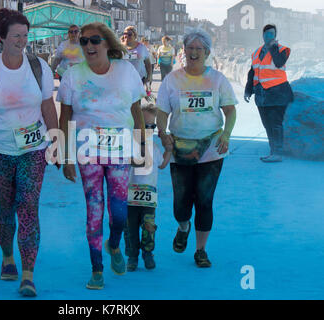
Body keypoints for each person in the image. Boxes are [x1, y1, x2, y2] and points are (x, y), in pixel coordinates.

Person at [0, 8, 58, 297]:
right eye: (16, 36)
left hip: (33, 149)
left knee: (28, 207)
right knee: (5, 207)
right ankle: (8, 257)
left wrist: (56, 143)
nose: (22, 41)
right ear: (1, 38)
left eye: (25, 36)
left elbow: (47, 106)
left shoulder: (38, 67)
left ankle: (28, 274)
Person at [57, 22, 147, 290]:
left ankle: (114, 245)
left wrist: (142, 147)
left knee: (119, 213)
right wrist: (66, 157)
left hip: (120, 151)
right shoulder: (72, 75)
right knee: (94, 211)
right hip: (88, 152)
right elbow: (65, 119)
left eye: (94, 40)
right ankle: (97, 269)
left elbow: (137, 111)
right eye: (84, 42)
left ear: (107, 43)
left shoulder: (126, 70)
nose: (89, 46)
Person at [156, 28, 237, 268]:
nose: (193, 53)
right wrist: (163, 133)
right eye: (189, 48)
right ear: (183, 51)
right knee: (181, 203)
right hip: (180, 147)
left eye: (198, 49)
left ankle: (201, 249)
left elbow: (230, 110)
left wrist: (227, 133)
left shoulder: (218, 79)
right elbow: (161, 112)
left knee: (204, 200)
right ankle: (183, 227)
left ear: (207, 52)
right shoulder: (172, 79)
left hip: (211, 147)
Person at [123, 103, 170, 271]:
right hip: (130, 197)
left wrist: (169, 150)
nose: (148, 130)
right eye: (144, 126)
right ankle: (132, 256)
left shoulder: (155, 147)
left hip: (149, 197)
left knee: (149, 226)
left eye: (152, 126)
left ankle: (148, 253)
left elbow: (163, 164)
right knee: (130, 226)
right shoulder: (128, 147)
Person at [244, 24, 293, 162]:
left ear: (275, 35)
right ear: (262, 35)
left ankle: (277, 153)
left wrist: (272, 46)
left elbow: (278, 63)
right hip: (261, 95)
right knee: (267, 125)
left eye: (271, 34)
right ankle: (273, 152)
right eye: (266, 34)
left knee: (276, 124)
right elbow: (252, 72)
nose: (268, 36)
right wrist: (248, 90)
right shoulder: (256, 52)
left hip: (278, 93)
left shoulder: (282, 50)